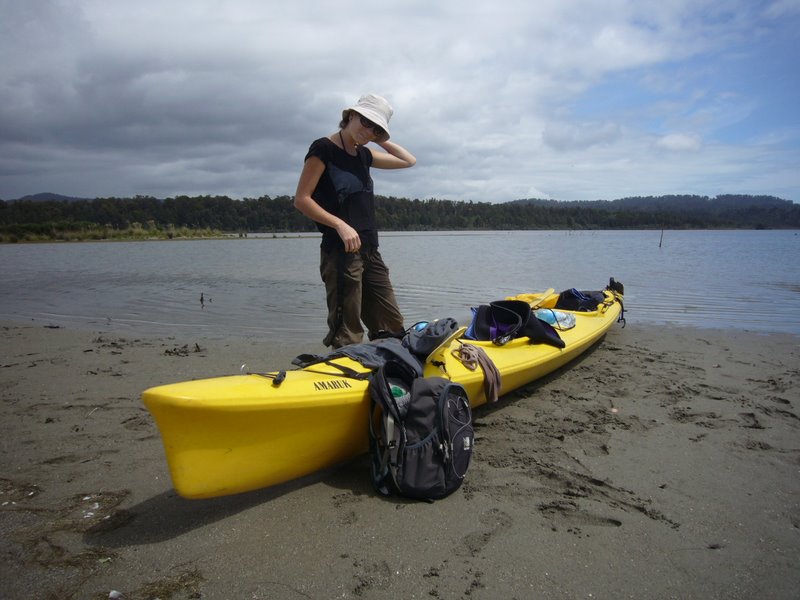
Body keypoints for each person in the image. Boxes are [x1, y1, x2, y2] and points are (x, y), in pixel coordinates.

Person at [294, 93, 417, 348]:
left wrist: (381, 139)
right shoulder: (323, 149)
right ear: (351, 115)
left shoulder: (364, 155)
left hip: (370, 249)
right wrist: (339, 224)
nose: (368, 130)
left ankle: (388, 373)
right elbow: (302, 199)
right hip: (341, 252)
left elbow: (408, 161)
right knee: (347, 332)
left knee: (391, 325)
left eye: (376, 127)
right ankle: (345, 377)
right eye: (365, 121)